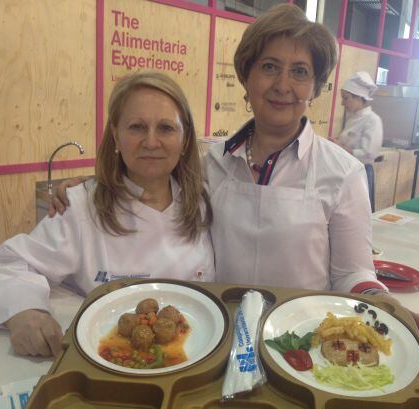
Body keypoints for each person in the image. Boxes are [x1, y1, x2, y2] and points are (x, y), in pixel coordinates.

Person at [51, 5, 388, 295]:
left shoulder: (343, 173)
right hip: (217, 335)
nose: (282, 85)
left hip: (298, 347)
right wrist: (96, 185)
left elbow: (352, 273)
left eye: (300, 72)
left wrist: (376, 296)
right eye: (269, 67)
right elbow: (155, 186)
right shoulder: (212, 162)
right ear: (246, 76)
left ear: (315, 87)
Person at [0, 71, 215, 357]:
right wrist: (25, 312)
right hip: (111, 359)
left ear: (184, 139)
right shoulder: (80, 206)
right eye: (136, 127)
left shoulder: (204, 200)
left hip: (200, 355)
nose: (151, 141)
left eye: (166, 128)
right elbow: (10, 265)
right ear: (116, 136)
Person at [333, 71, 383, 212]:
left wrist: (342, 149)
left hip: (361, 173)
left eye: (346, 98)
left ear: (359, 98)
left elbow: (369, 153)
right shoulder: (352, 118)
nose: (342, 103)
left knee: (358, 213)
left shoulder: (372, 120)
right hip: (347, 171)